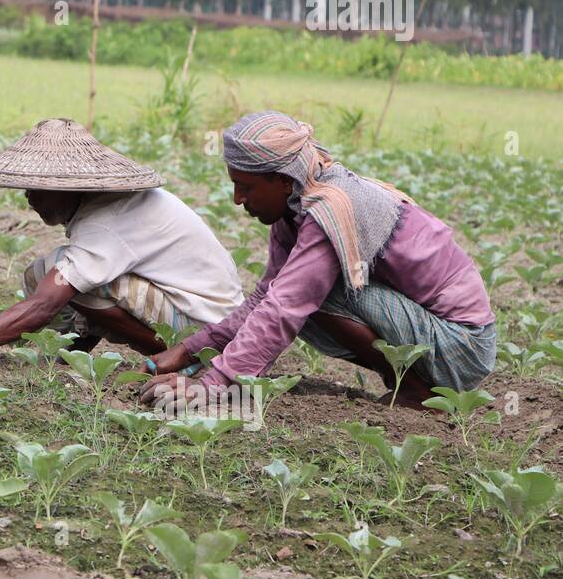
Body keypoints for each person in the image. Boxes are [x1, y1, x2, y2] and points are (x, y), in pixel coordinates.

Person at [141, 110, 496, 410]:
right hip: (426, 329)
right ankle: (409, 381)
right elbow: (265, 298)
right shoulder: (295, 208)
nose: (237, 199)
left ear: (282, 180)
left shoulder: (330, 210)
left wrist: (213, 385)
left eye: (245, 187)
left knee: (312, 290)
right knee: (293, 288)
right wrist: (188, 351)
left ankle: (416, 390)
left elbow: (284, 306)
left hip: (462, 345)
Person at [0, 118, 243, 364]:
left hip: (209, 329)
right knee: (45, 273)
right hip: (197, 311)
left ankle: (181, 358)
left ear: (65, 188)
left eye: (37, 189)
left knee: (65, 280)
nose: (28, 198)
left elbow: (44, 307)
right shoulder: (104, 208)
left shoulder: (105, 224)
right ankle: (72, 355)